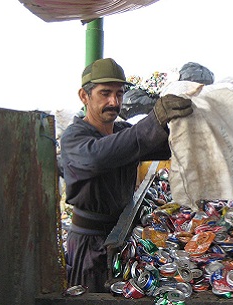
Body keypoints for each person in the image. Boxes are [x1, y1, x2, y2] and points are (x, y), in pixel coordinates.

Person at [59, 58, 193, 292]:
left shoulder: (123, 132)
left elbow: (163, 145)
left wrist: (190, 126)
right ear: (84, 96)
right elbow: (100, 156)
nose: (114, 101)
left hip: (121, 239)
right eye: (105, 93)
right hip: (89, 244)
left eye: (119, 94)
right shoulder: (74, 137)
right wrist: (153, 119)